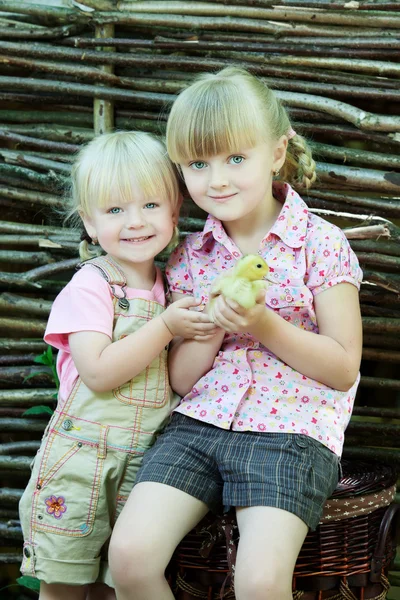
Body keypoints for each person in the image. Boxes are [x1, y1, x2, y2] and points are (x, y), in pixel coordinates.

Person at [109, 68, 363, 600]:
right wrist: (205, 331)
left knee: (260, 581)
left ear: (276, 153)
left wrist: (262, 323)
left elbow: (342, 368)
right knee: (129, 558)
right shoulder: (187, 258)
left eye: (235, 159)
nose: (216, 180)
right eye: (198, 164)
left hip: (292, 432)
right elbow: (181, 380)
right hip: (198, 424)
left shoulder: (320, 243)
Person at [18, 131, 217, 600]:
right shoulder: (91, 286)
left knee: (118, 584)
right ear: (88, 223)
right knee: (63, 584)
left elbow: (173, 380)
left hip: (142, 459)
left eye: (150, 205)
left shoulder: (171, 284)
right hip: (82, 463)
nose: (135, 222)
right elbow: (100, 372)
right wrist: (167, 326)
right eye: (114, 210)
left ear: (175, 211)